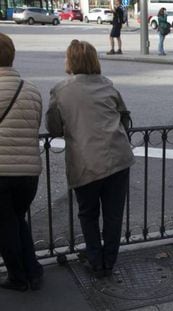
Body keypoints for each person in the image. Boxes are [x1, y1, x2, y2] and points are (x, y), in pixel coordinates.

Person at [46, 39, 135, 278]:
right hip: (118, 158)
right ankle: (109, 261)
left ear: (71, 61)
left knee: (88, 214)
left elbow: (53, 127)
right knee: (113, 215)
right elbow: (124, 115)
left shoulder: (61, 91)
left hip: (86, 162)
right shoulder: (107, 85)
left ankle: (96, 261)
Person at [0, 33, 43, 291]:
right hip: (29, 173)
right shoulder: (31, 89)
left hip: (2, 172)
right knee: (17, 219)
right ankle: (34, 271)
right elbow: (36, 125)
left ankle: (18, 277)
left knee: (5, 227)